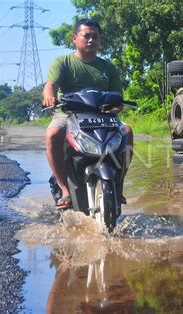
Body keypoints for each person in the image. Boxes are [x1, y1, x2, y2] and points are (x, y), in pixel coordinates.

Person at [43, 18, 133, 209]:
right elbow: (50, 85)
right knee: (52, 135)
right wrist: (50, 96)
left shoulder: (108, 67)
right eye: (86, 36)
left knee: (127, 131)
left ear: (100, 41)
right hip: (68, 113)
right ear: (74, 38)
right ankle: (64, 188)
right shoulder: (64, 62)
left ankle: (118, 184)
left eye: (95, 36)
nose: (91, 40)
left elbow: (118, 100)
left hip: (103, 115)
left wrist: (115, 108)